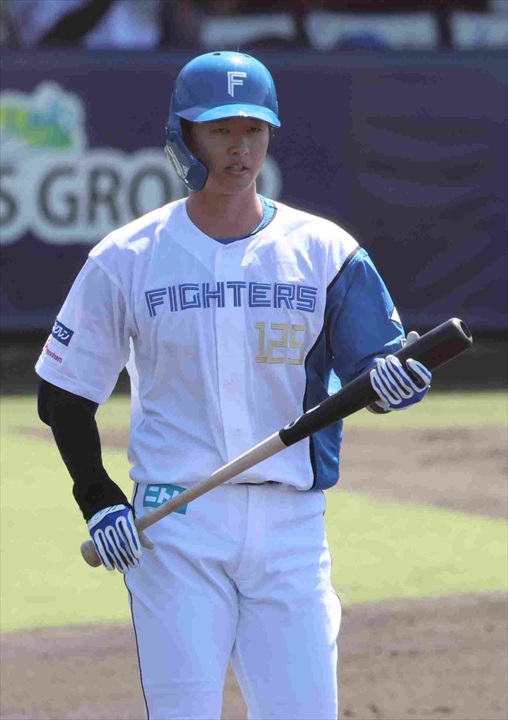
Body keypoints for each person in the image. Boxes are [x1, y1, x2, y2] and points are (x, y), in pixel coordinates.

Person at [36, 51, 432, 720]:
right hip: (174, 523)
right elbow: (64, 395)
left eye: (253, 129)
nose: (239, 147)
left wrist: (399, 381)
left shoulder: (325, 251)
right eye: (219, 130)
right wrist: (97, 498)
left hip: (291, 526)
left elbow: (384, 367)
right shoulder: (125, 258)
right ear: (184, 136)